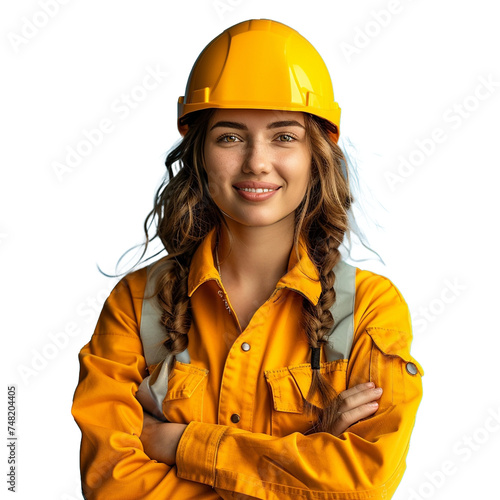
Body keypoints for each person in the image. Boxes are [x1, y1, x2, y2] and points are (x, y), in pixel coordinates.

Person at [72, 19, 423, 500]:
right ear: (199, 154)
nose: (257, 161)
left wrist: (181, 444)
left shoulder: (369, 310)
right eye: (230, 137)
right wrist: (307, 458)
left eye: (284, 136)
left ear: (316, 156)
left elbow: (364, 484)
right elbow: (111, 484)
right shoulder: (137, 306)